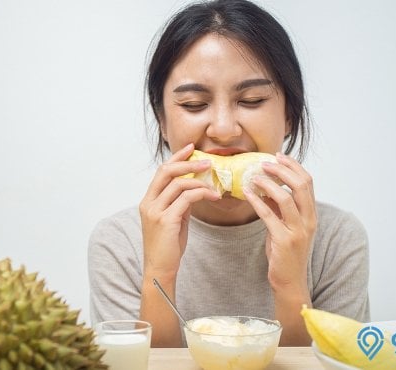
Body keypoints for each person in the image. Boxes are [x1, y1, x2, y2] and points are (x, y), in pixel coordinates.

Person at [88, 0, 369, 347]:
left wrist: (291, 284)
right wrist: (158, 275)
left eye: (251, 100)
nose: (223, 129)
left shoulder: (336, 240)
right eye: (193, 104)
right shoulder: (119, 243)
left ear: (289, 116)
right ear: (161, 121)